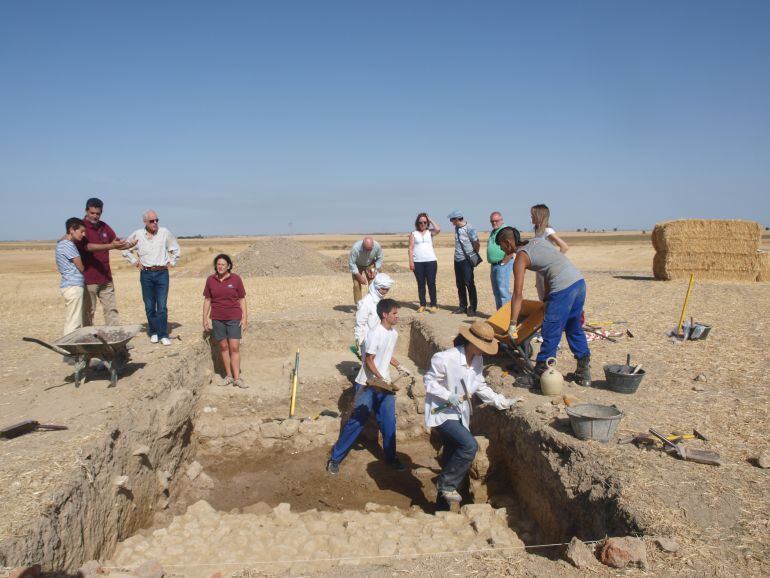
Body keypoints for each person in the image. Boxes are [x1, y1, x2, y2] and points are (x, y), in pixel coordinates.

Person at [424, 321, 518, 504]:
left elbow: (479, 385)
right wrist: (448, 395)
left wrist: (501, 401)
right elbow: (428, 381)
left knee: (452, 458)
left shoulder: (477, 360)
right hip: (442, 413)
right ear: (471, 341)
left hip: (460, 413)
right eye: (483, 345)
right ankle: (446, 485)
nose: (484, 350)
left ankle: (441, 508)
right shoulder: (444, 358)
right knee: (469, 446)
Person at [497, 227, 591, 386]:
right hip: (579, 283)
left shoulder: (520, 257)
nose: (501, 249)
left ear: (508, 243)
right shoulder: (538, 242)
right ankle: (583, 372)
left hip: (563, 288)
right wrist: (547, 298)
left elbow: (517, 294)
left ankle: (539, 376)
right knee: (573, 327)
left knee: (550, 331)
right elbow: (548, 269)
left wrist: (513, 324)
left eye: (501, 246)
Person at [327, 299, 409, 475]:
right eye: (394, 313)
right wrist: (380, 378)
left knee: (388, 423)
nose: (397, 317)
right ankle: (335, 458)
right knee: (357, 422)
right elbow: (368, 360)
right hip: (368, 385)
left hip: (384, 386)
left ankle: (391, 458)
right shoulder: (374, 334)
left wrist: (399, 365)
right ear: (385, 314)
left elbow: (386, 354)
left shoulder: (392, 334)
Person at [122, 210, 181, 346]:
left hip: (162, 273)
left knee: (162, 306)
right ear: (145, 222)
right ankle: (153, 332)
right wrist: (135, 262)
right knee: (149, 306)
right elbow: (125, 248)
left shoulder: (164, 232)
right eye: (152, 221)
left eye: (156, 220)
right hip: (146, 274)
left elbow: (175, 249)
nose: (155, 223)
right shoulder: (138, 235)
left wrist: (172, 262)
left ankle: (163, 334)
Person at [77, 197, 133, 326]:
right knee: (88, 312)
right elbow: (88, 247)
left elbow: (116, 243)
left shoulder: (104, 226)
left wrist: (129, 245)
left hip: (106, 277)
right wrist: (111, 246)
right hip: (88, 279)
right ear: (86, 211)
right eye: (92, 213)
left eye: (98, 213)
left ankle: (115, 342)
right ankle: (89, 342)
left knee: (111, 310)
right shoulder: (81, 227)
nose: (95, 216)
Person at [203, 254, 248, 388]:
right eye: (218, 264)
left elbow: (242, 299)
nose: (220, 266)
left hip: (234, 317)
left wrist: (245, 318)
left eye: (223, 264)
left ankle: (237, 378)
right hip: (217, 318)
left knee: (234, 347)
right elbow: (207, 300)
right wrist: (204, 318)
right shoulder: (210, 280)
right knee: (223, 347)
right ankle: (228, 376)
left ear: (228, 266)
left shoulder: (236, 279)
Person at [530, 204, 569, 301]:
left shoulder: (547, 231)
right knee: (542, 296)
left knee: (547, 298)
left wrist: (553, 262)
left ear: (540, 216)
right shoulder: (538, 231)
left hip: (546, 271)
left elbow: (564, 247)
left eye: (533, 214)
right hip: (540, 270)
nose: (531, 216)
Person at [56, 218, 87, 336]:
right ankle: (70, 351)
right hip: (73, 286)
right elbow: (81, 267)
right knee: (74, 322)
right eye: (81, 231)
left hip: (69, 285)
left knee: (73, 319)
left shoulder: (62, 244)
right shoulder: (68, 245)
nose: (83, 235)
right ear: (72, 230)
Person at [448, 210, 480, 316]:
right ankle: (462, 306)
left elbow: (476, 242)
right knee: (460, 284)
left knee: (469, 284)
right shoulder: (457, 228)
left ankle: (473, 308)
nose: (451, 222)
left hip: (466, 260)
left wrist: (473, 255)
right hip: (457, 260)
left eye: (452, 220)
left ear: (457, 219)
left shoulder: (469, 228)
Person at [353, 273, 394, 355]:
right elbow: (360, 321)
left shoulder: (380, 300)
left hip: (377, 336)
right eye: (383, 289)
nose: (385, 292)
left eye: (387, 289)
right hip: (368, 338)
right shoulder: (367, 301)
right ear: (377, 287)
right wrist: (359, 340)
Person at [408, 213, 440, 312]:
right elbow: (410, 248)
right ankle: (422, 305)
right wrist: (411, 262)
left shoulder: (430, 232)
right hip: (418, 262)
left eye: (425, 222)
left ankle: (433, 305)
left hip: (431, 261)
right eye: (420, 222)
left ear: (427, 223)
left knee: (431, 283)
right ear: (417, 223)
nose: (423, 224)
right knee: (421, 284)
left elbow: (438, 229)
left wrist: (430, 219)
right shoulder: (413, 234)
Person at [487, 211, 514, 310]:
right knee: (496, 292)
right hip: (494, 265)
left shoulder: (506, 231)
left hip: (502, 264)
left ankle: (507, 316)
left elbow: (511, 249)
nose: (494, 223)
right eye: (492, 221)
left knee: (503, 291)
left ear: (501, 220)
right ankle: (500, 315)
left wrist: (503, 263)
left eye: (496, 221)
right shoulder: (494, 231)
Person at [348, 236, 384, 304]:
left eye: (370, 249)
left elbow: (380, 258)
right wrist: (359, 277)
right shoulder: (355, 248)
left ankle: (374, 304)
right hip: (357, 265)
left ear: (373, 245)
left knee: (373, 284)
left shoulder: (377, 246)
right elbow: (352, 264)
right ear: (363, 245)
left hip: (370, 264)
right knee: (356, 285)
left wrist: (375, 270)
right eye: (366, 249)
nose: (369, 251)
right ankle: (359, 305)